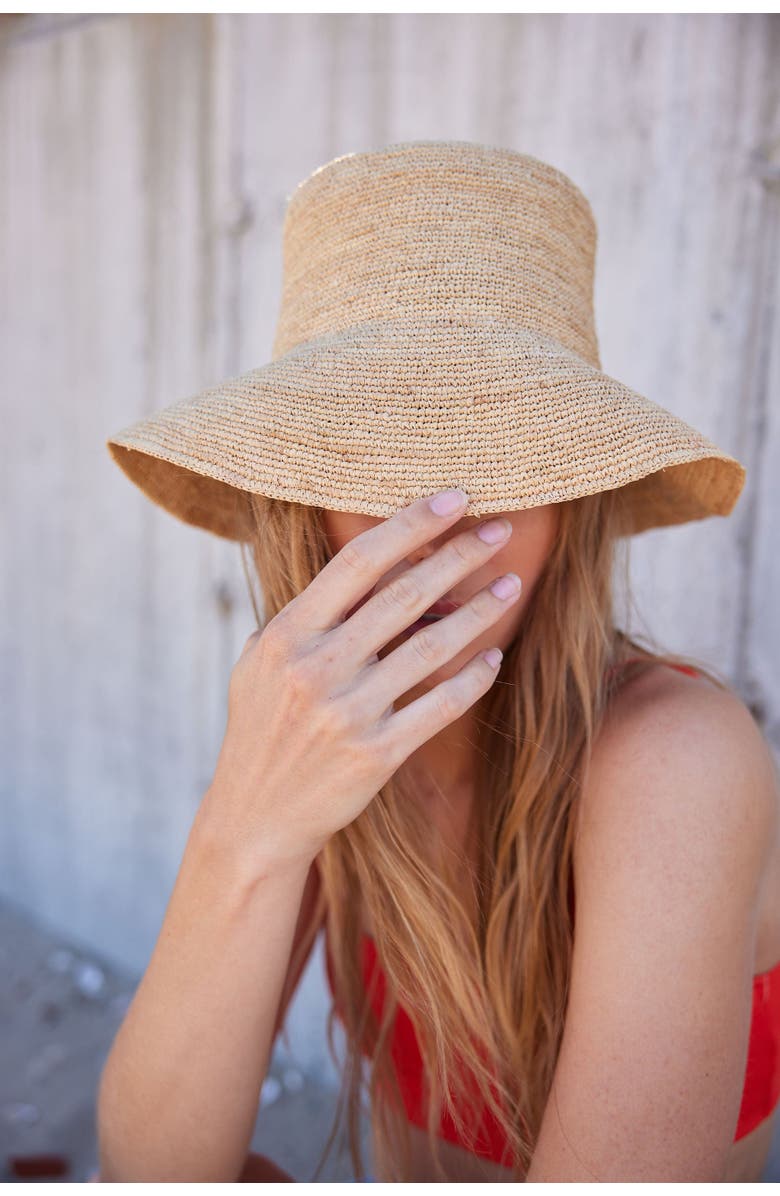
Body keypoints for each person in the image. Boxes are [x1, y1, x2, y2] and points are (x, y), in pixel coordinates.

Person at [98, 141, 780, 1182]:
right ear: (299, 502)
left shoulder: (674, 762)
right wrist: (248, 823)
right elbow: (151, 1166)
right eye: (372, 458)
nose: (433, 523)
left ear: (573, 503)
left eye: (499, 460)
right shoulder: (329, 743)